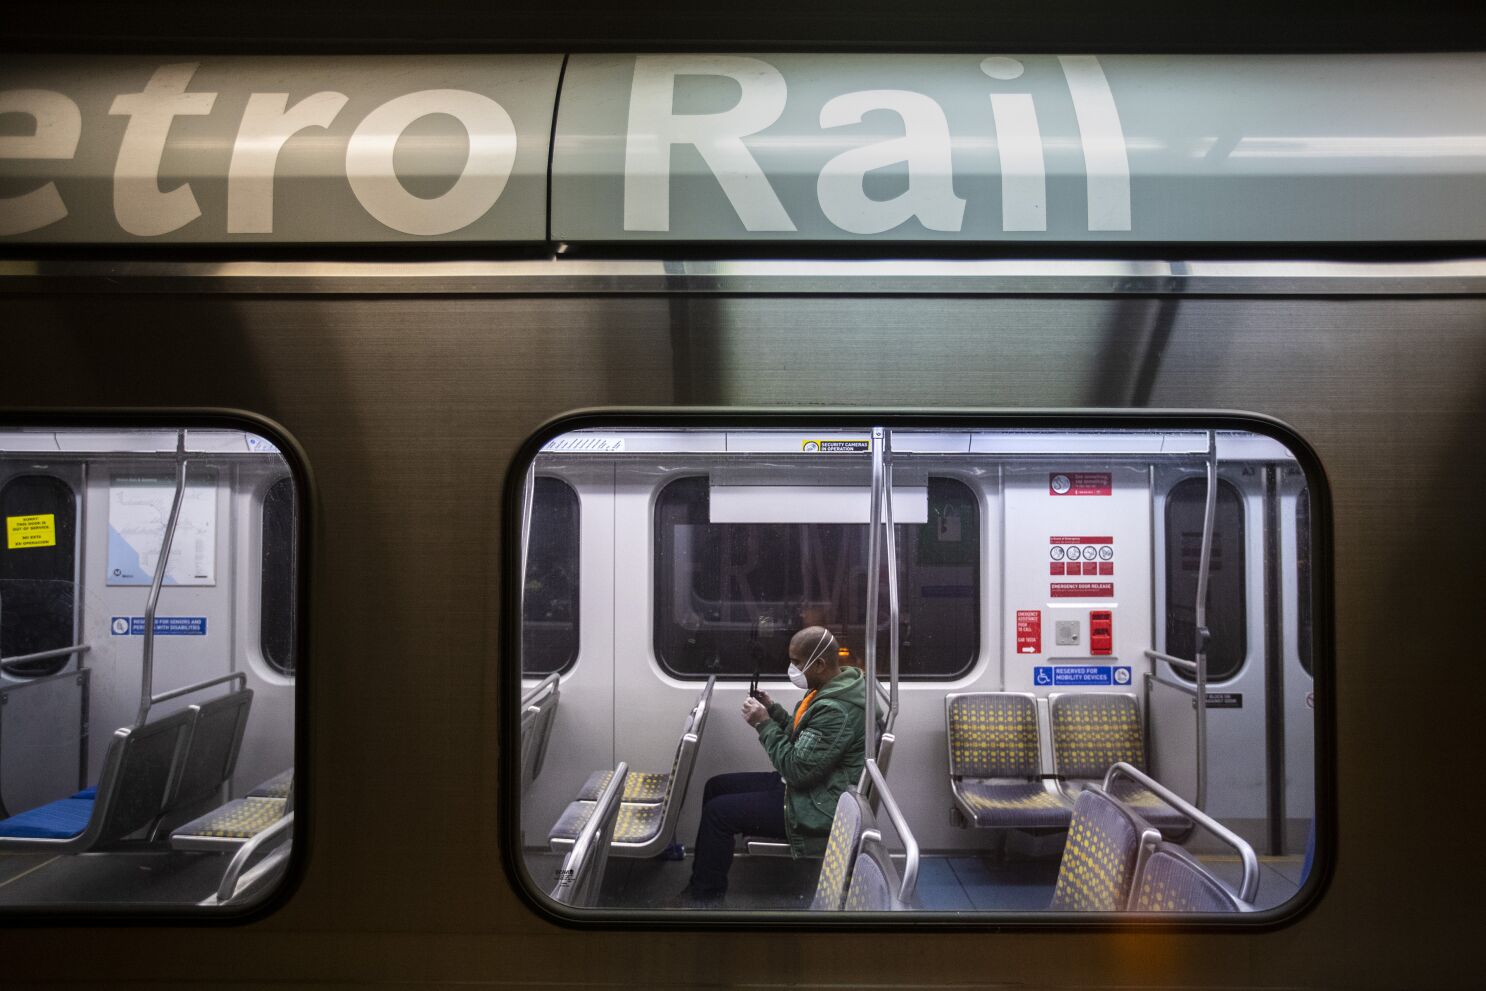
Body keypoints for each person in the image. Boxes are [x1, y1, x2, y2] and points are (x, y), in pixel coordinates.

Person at [678, 626, 869, 906]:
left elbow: (796, 770)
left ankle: (704, 901)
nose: (792, 668)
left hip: (818, 805)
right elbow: (806, 738)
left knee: (718, 814)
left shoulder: (836, 710)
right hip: (816, 787)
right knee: (716, 786)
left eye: (797, 662)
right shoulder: (831, 688)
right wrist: (774, 711)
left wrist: (763, 723)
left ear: (819, 664)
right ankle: (703, 882)